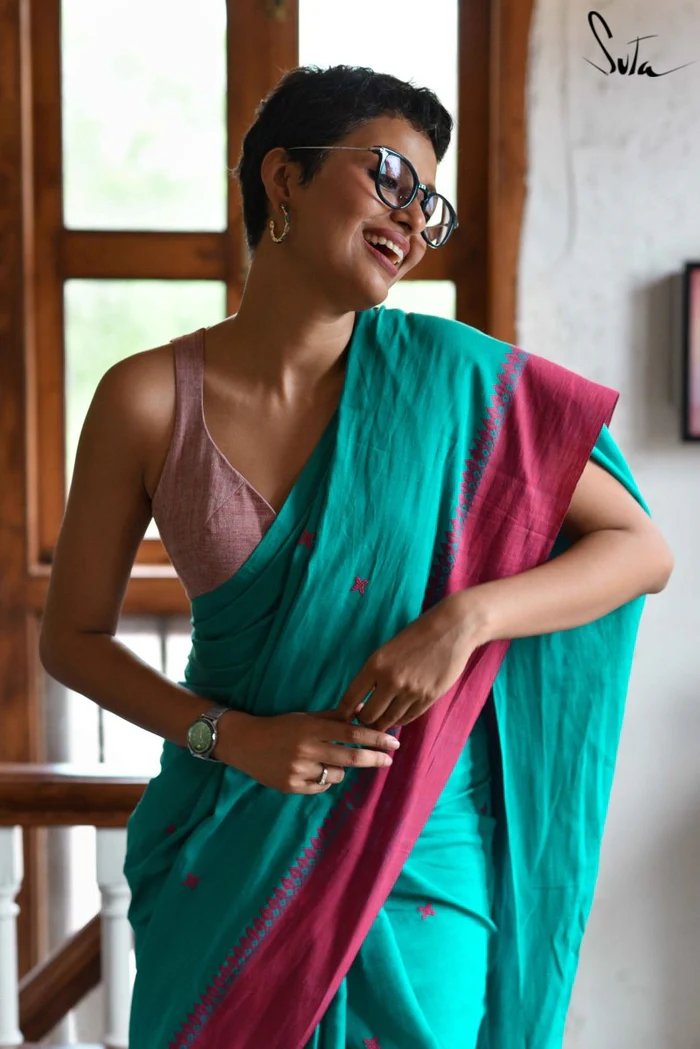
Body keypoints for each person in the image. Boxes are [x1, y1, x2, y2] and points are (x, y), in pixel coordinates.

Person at [39, 65, 673, 1049]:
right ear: (283, 178)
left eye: (430, 204)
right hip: (226, 837)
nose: (413, 218)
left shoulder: (450, 384)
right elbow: (72, 639)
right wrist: (232, 739)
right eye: (389, 176)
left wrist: (463, 621)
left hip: (416, 848)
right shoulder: (147, 399)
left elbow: (640, 546)